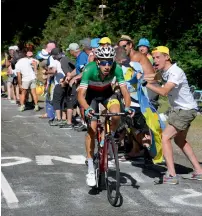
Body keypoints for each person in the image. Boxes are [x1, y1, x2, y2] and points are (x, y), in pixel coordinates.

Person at [141, 46, 202, 184]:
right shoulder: (165, 71)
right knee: (179, 140)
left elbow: (164, 92)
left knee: (165, 137)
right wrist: (139, 77)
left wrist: (145, 83)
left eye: (158, 57)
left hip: (184, 110)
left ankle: (172, 175)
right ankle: (199, 171)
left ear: (167, 57)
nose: (155, 61)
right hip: (180, 109)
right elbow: (153, 77)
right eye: (154, 57)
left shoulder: (175, 72)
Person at [77, 45, 133, 186]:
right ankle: (90, 167)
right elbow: (80, 95)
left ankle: (110, 136)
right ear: (97, 62)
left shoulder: (117, 69)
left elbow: (125, 91)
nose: (107, 66)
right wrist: (88, 108)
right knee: (92, 129)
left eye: (110, 62)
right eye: (103, 62)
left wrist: (127, 107)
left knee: (116, 113)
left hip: (107, 94)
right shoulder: (89, 69)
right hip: (91, 97)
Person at [118, 35, 160, 109]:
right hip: (147, 86)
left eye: (124, 46)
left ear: (130, 45)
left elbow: (130, 77)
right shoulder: (131, 57)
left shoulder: (136, 56)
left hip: (150, 88)